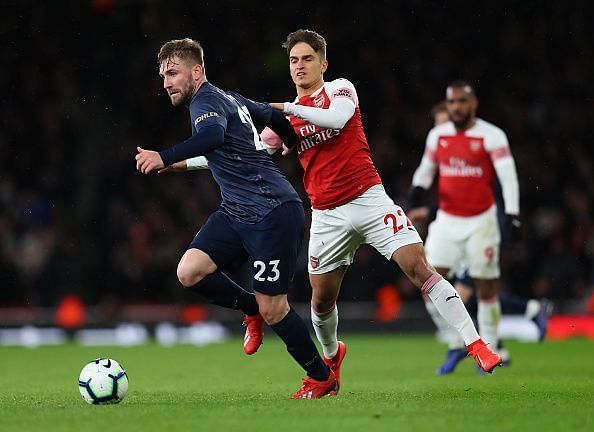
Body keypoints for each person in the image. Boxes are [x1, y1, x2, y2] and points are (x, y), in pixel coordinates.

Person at [260, 29, 502, 382]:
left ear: (323, 63)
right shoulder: (283, 123)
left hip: (369, 200)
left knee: (420, 267)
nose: (300, 66)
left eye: (307, 59)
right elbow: (248, 153)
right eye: (294, 60)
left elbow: (337, 119)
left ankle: (476, 344)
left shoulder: (339, 90)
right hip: (327, 215)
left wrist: (285, 108)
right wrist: (178, 161)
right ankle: (331, 359)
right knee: (321, 302)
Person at [135, 38, 338, 399]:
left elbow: (211, 136)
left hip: (272, 211)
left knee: (275, 309)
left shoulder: (206, 101)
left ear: (196, 71)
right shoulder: (231, 98)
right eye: (162, 74)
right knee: (190, 271)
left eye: (172, 72)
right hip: (237, 210)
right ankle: (249, 310)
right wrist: (291, 143)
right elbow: (273, 116)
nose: (166, 82)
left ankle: (322, 377)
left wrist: (164, 157)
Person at [408, 99, 552, 375]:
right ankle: (517, 319)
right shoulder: (442, 151)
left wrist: (428, 209)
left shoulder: (480, 147)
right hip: (451, 227)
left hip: (482, 227)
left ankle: (482, 345)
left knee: (465, 291)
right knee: (444, 290)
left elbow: (476, 195)